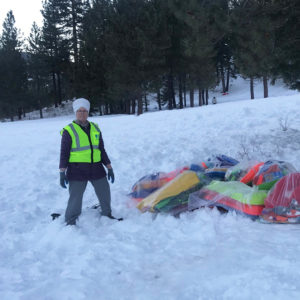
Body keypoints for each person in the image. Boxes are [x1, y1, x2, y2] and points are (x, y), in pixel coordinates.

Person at [59, 98, 121, 225]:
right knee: (75, 197)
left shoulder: (95, 128)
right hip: (77, 169)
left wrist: (109, 167)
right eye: (79, 111)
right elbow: (64, 153)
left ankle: (107, 214)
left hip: (96, 167)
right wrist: (62, 172)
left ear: (88, 112)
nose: (82, 113)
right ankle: (70, 220)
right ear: (75, 112)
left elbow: (101, 149)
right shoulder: (69, 130)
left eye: (85, 111)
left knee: (104, 191)